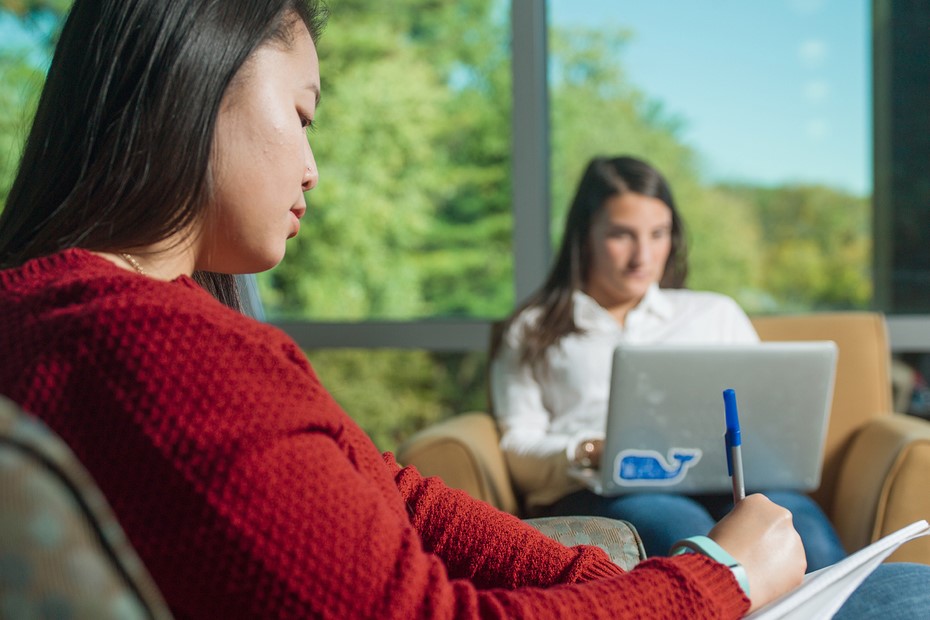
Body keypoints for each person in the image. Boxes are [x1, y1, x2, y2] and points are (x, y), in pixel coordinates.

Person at [0, 1, 927, 618]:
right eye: (305, 113)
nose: (313, 167)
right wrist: (708, 582)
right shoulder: (157, 354)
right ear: (195, 84)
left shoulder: (103, 323)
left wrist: (599, 581)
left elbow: (389, 488)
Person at [490, 156, 846, 570]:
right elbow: (516, 447)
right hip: (610, 490)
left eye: (658, 234)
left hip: (723, 479)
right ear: (584, 236)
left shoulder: (715, 314)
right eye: (622, 235)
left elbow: (764, 419)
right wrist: (592, 451)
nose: (643, 255)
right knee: (692, 537)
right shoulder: (534, 329)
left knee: (800, 529)